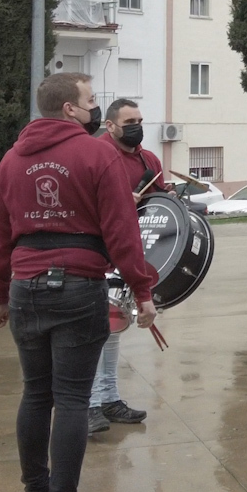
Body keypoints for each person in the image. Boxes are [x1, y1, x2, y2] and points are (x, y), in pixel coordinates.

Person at [0, 72, 158, 492]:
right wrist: (143, 292)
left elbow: (0, 235)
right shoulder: (97, 154)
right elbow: (122, 233)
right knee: (72, 401)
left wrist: (0, 295)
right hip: (78, 287)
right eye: (89, 101)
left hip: (25, 289)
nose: (94, 108)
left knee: (35, 395)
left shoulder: (10, 160)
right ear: (68, 109)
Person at [86, 97, 164, 433]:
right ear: (111, 125)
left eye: (140, 121)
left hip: (128, 252)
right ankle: (87, 405)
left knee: (113, 329)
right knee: (92, 333)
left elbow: (158, 203)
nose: (137, 127)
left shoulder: (149, 159)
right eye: (129, 122)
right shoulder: (97, 154)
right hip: (97, 254)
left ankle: (109, 399)